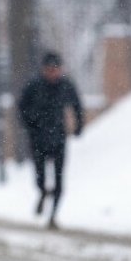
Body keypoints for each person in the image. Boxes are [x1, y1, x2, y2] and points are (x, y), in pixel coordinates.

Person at [17, 51, 84, 229]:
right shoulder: (34, 86)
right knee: (40, 176)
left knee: (59, 179)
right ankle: (42, 193)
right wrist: (30, 125)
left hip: (59, 138)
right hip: (38, 139)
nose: (54, 73)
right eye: (50, 69)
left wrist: (78, 127)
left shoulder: (66, 85)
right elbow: (21, 107)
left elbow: (77, 105)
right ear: (44, 70)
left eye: (56, 69)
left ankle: (53, 215)